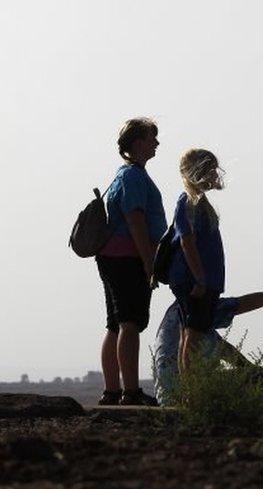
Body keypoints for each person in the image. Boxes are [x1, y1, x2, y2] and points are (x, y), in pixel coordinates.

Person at [96, 118, 167, 406]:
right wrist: (149, 262)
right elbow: (136, 220)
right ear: (139, 143)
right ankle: (130, 392)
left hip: (113, 257)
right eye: (152, 138)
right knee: (129, 323)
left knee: (115, 324)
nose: (157, 143)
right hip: (128, 257)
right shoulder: (134, 177)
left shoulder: (123, 175)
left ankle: (112, 390)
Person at [152, 282, 263, 405]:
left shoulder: (182, 315)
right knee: (258, 376)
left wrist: (248, 369)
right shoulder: (198, 307)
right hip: (186, 396)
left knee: (254, 375)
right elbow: (242, 304)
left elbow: (224, 349)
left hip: (166, 397)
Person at [167, 148, 228, 373]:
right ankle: (190, 394)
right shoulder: (188, 202)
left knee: (192, 333)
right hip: (194, 281)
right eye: (210, 169)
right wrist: (200, 279)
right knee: (192, 335)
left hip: (203, 280)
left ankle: (191, 391)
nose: (214, 174)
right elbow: (187, 241)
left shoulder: (200, 203)